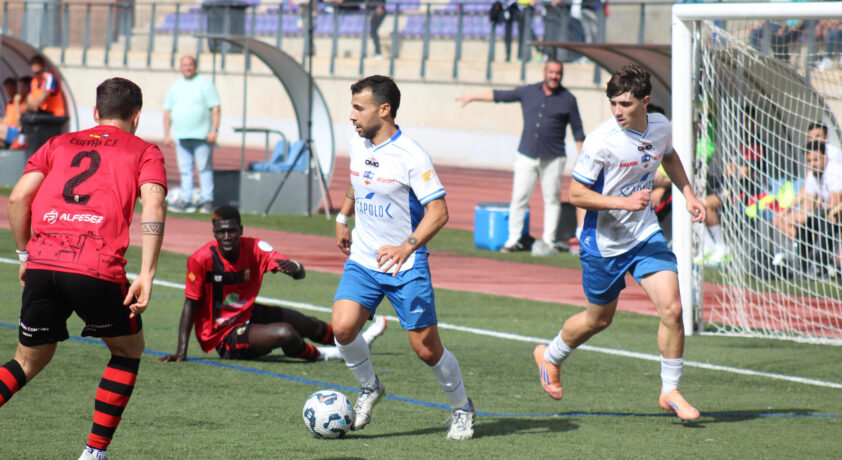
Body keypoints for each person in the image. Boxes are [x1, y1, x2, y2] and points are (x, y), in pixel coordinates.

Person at [0, 77, 167, 460]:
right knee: (128, 350)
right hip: (95, 266)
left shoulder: (57, 143)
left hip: (43, 262)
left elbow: (19, 197)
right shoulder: (144, 151)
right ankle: (94, 453)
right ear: (136, 117)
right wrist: (147, 273)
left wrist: (25, 256)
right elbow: (154, 205)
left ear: (95, 112)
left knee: (27, 361)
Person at [532, 64, 706, 421]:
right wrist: (623, 203)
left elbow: (669, 156)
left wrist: (688, 193)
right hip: (603, 244)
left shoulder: (661, 127)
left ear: (645, 101)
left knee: (673, 309)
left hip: (644, 235)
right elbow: (576, 194)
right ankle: (550, 356)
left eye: (625, 104)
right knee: (598, 320)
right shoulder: (601, 141)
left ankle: (670, 389)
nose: (617, 111)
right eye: (613, 103)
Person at [332, 75, 476, 440]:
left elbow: (439, 213)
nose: (351, 115)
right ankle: (370, 387)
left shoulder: (412, 156)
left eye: (358, 108)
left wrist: (405, 247)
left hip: (406, 265)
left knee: (426, 349)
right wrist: (343, 218)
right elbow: (356, 180)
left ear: (384, 109)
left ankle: (462, 408)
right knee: (343, 328)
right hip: (364, 260)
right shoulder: (358, 142)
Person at [158, 205, 387, 364]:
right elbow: (190, 304)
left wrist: (294, 268)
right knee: (286, 334)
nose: (227, 237)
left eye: (232, 231)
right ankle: (327, 354)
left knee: (306, 323)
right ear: (214, 233)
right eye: (222, 232)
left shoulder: (255, 248)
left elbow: (296, 271)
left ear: (241, 230)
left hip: (247, 314)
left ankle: (354, 343)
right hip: (223, 336)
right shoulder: (200, 260)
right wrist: (181, 351)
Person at [456, 59, 586, 253]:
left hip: (554, 156)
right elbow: (500, 95)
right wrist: (472, 97)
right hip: (527, 154)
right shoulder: (529, 91)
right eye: (551, 72)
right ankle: (513, 240)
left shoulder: (568, 99)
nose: (554, 76)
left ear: (562, 75)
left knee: (551, 200)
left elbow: (578, 131)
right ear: (544, 72)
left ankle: (549, 241)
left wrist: (581, 157)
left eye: (558, 73)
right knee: (519, 198)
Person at [772, 141, 842, 276]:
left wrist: (823, 210)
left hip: (837, 212)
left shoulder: (834, 171)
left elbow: (835, 202)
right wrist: (786, 212)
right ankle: (806, 262)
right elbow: (807, 198)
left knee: (826, 218)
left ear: (825, 158)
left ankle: (824, 263)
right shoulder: (813, 175)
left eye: (816, 160)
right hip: (829, 213)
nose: (812, 164)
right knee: (805, 226)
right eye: (809, 161)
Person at [163, 55, 221, 213]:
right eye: (184, 65)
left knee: (204, 168)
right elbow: (167, 110)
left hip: (202, 136)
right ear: (180, 67)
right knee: (185, 170)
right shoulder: (176, 86)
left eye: (190, 64)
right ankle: (186, 199)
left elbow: (215, 108)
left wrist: (214, 131)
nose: (187, 67)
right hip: (182, 136)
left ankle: (208, 200)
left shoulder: (205, 84)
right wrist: (167, 134)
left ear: (195, 66)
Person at [0, 77, 24, 148]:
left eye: (11, 87)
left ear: (16, 87)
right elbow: (6, 120)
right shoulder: (9, 104)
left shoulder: (20, 101)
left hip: (17, 132)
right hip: (8, 131)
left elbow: (18, 122)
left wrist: (17, 103)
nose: (9, 90)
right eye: (7, 88)